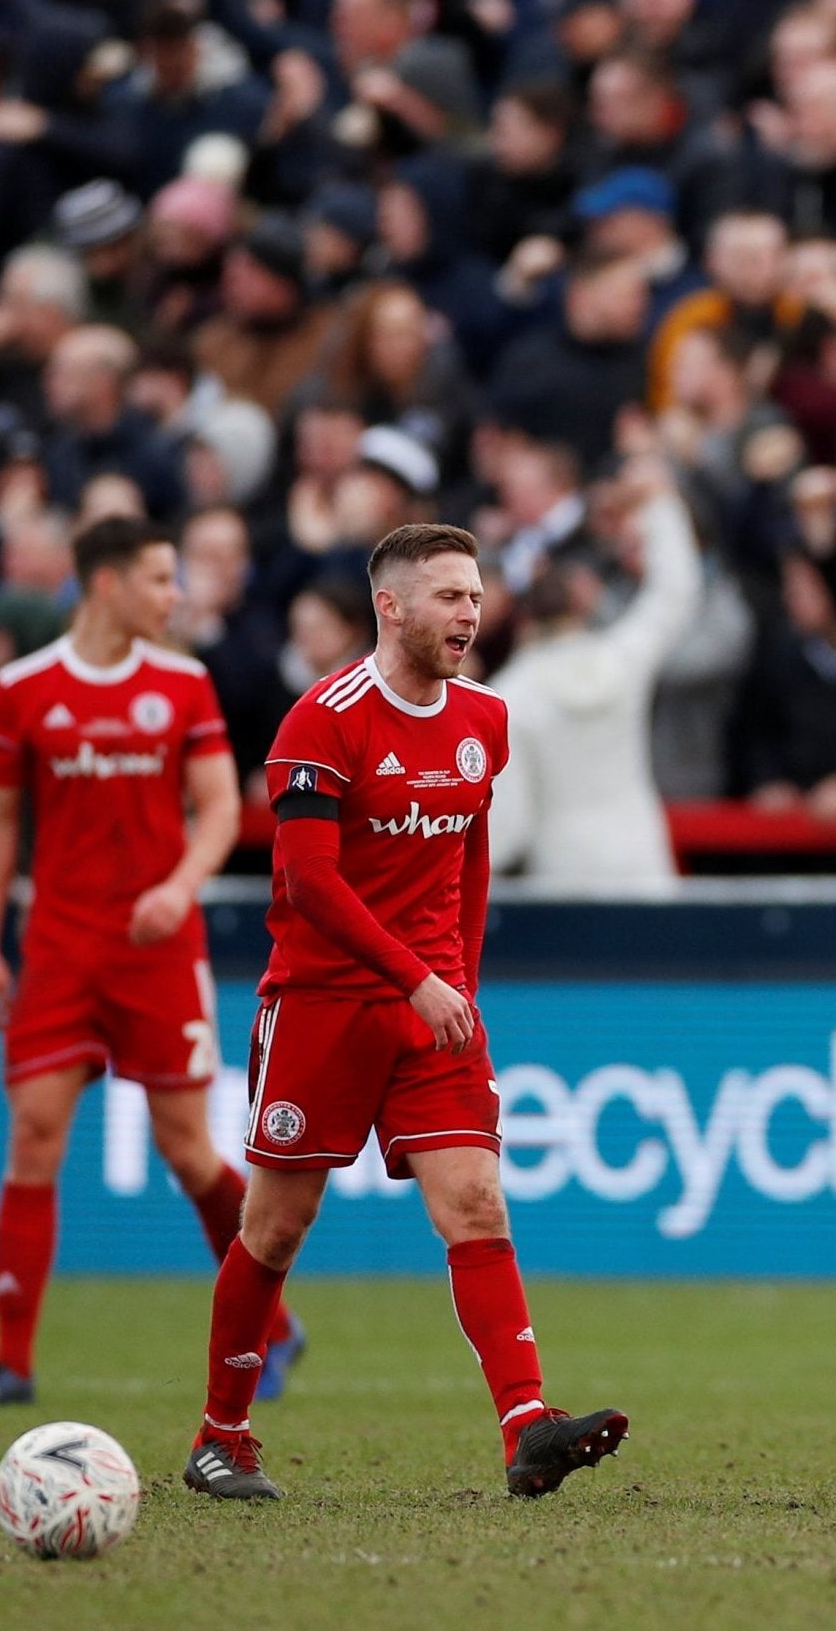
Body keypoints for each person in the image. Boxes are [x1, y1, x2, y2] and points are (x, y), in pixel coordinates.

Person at [182, 521, 628, 1503]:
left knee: (473, 1199)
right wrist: (411, 977)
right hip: (323, 1006)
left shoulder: (483, 720)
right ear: (390, 607)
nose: (468, 613)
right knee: (275, 1227)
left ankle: (526, 1426)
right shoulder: (321, 722)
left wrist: (455, 980)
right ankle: (221, 1437)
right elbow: (306, 881)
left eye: (475, 596)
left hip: (430, 1009)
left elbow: (467, 856)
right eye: (448, 597)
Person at [0, 515, 272, 1408]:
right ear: (106, 583)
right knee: (34, 1133)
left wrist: (181, 886)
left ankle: (267, 1323)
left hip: (158, 951)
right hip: (58, 947)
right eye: (161, 580)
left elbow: (220, 811)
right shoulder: (20, 689)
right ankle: (11, 1362)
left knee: (186, 1148)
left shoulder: (185, 683)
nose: (175, 597)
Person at [488, 460, 700, 892]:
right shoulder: (621, 658)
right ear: (579, 611)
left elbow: (505, 829)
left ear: (523, 623)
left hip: (562, 872)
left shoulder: (509, 697)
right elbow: (674, 592)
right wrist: (661, 507)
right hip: (642, 862)